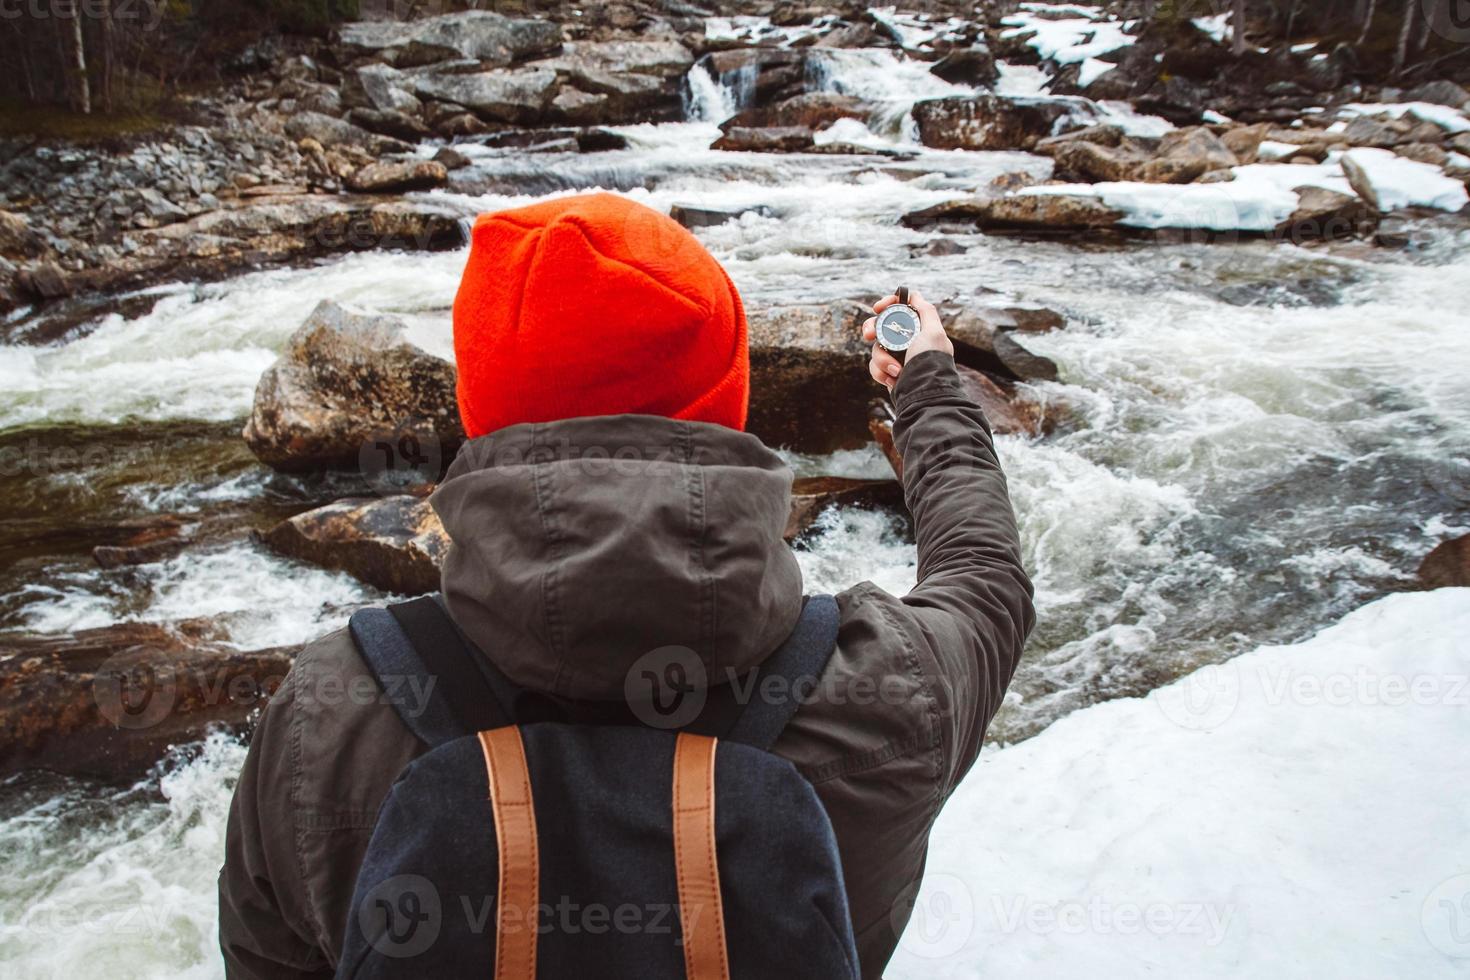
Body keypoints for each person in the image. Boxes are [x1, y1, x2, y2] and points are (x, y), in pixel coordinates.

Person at [218, 192, 1034, 979]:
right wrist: (926, 384)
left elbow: (267, 960)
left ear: (480, 411)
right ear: (729, 404)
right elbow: (985, 577)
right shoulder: (890, 692)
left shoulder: (328, 714)